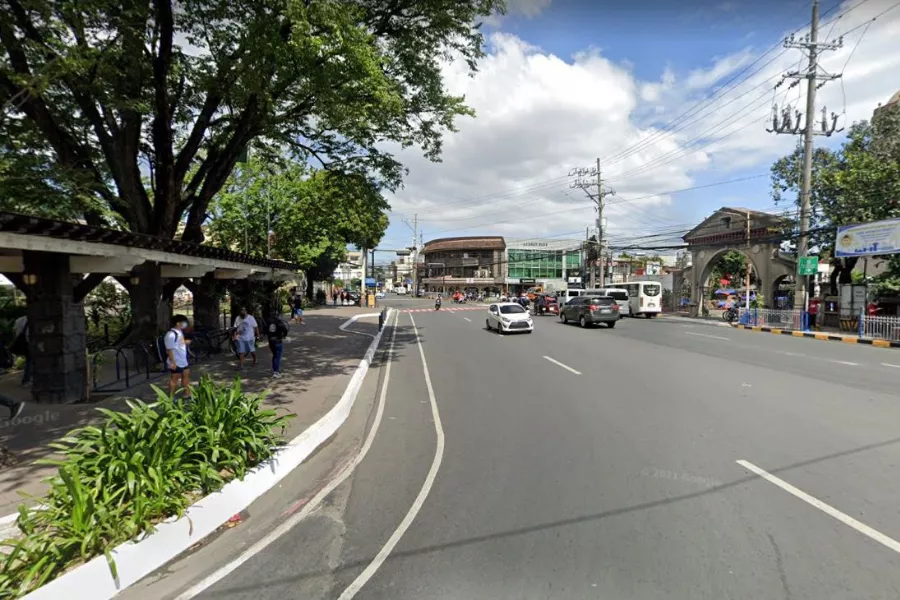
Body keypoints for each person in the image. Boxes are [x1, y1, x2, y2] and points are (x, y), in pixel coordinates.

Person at [164, 314, 192, 399]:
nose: (185, 324)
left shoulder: (179, 332)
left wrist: (186, 342)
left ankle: (187, 395)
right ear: (178, 323)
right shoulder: (170, 334)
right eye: (183, 322)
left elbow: (180, 343)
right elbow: (169, 349)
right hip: (176, 361)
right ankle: (171, 398)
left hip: (183, 360)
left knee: (186, 377)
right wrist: (173, 362)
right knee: (174, 379)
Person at [265, 311, 290, 379]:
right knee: (277, 357)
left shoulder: (268, 322)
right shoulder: (279, 322)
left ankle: (275, 370)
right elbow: (285, 330)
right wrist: (284, 336)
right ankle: (276, 372)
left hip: (270, 341)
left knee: (274, 355)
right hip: (277, 341)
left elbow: (265, 331)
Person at [10, 315, 31, 386]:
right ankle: (26, 379)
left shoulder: (19, 320)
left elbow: (14, 332)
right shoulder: (33, 318)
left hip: (20, 342)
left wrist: (15, 341)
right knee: (30, 360)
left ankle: (26, 377)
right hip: (29, 341)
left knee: (28, 359)